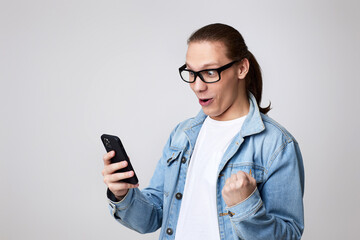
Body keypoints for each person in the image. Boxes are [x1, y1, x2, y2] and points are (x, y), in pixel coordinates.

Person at [102, 23, 305, 240]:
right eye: (191, 72)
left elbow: (288, 235)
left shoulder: (277, 144)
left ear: (241, 68)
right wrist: (123, 194)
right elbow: (153, 216)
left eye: (209, 72)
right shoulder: (181, 135)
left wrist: (246, 206)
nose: (197, 86)